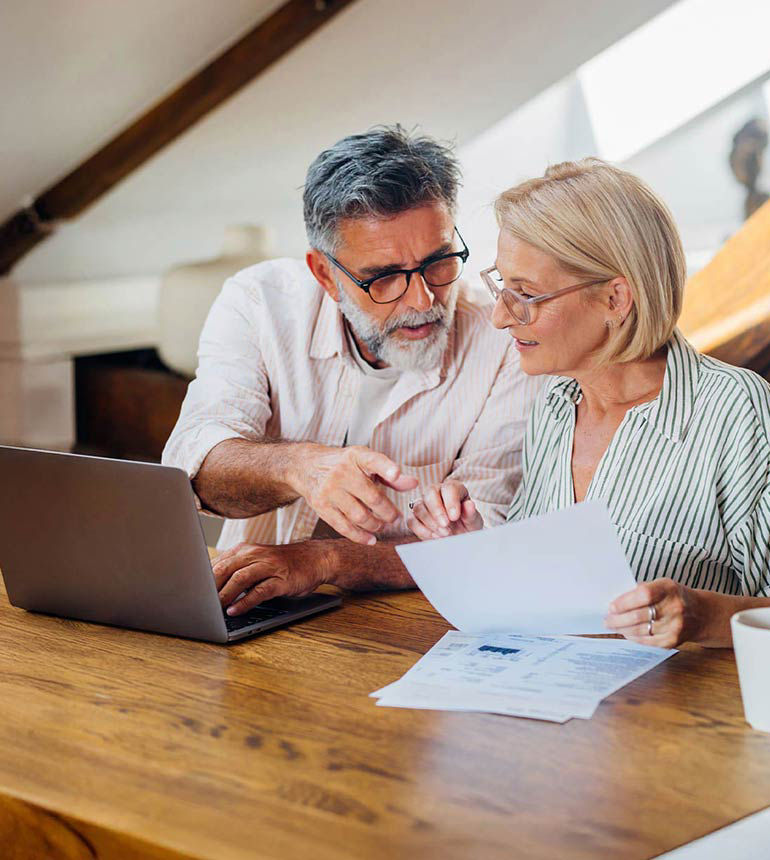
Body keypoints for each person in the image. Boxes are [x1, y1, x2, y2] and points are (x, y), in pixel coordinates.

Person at [408, 158, 770, 648]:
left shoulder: (734, 410)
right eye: (502, 285)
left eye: (526, 294)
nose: (500, 317)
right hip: (562, 706)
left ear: (616, 299)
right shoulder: (555, 403)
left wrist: (702, 616)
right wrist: (471, 544)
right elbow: (546, 592)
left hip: (691, 716)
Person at [162, 126, 539, 615]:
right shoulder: (259, 303)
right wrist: (300, 466)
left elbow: (487, 536)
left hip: (423, 623)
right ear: (325, 275)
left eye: (439, 262)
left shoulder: (506, 339)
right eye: (384, 278)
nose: (423, 300)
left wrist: (326, 561)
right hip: (253, 615)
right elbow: (194, 468)